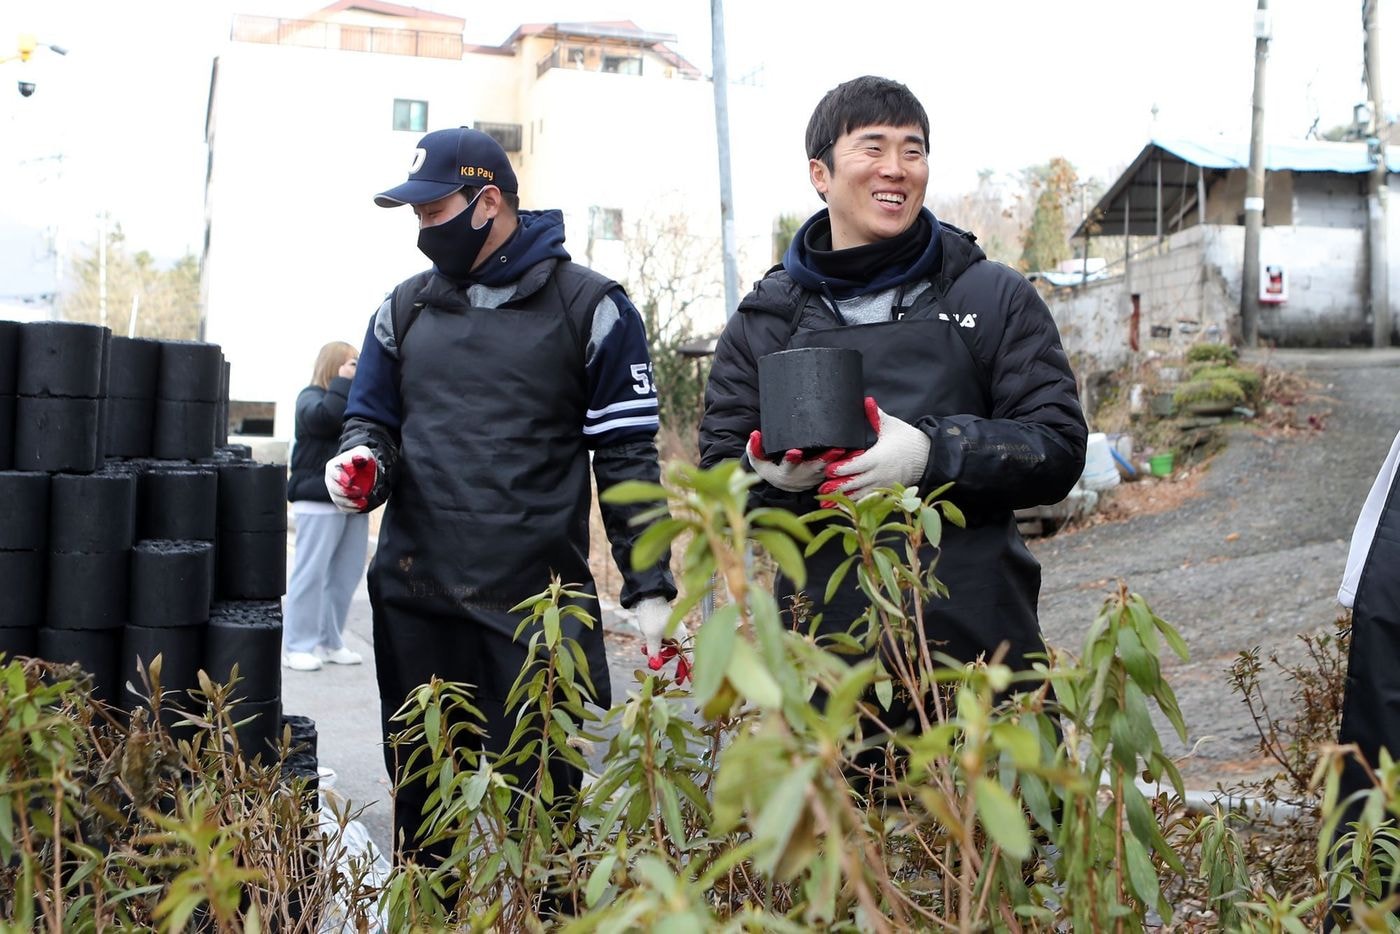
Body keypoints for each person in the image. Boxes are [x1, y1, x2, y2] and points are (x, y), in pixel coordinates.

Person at [325, 127, 678, 864]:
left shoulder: (593, 309)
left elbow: (625, 458)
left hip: (535, 614)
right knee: (426, 832)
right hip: (417, 601)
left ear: (489, 202)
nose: (423, 230)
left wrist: (651, 593)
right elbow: (372, 423)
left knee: (544, 835)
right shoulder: (405, 310)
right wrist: (359, 462)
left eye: (433, 210)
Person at [699, 76, 1087, 708]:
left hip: (983, 659)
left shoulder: (988, 296)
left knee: (999, 807)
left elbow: (1059, 448)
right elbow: (719, 480)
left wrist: (934, 454)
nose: (897, 169)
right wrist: (764, 475)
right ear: (820, 174)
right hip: (826, 670)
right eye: (872, 148)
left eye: (913, 150)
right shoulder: (766, 321)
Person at [283, 341, 368, 672]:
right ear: (333, 366)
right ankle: (297, 646)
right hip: (317, 500)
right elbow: (324, 420)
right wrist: (342, 383)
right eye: (351, 362)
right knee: (312, 574)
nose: (357, 367)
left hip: (351, 500)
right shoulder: (311, 397)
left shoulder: (353, 402)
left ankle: (330, 641)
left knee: (345, 576)